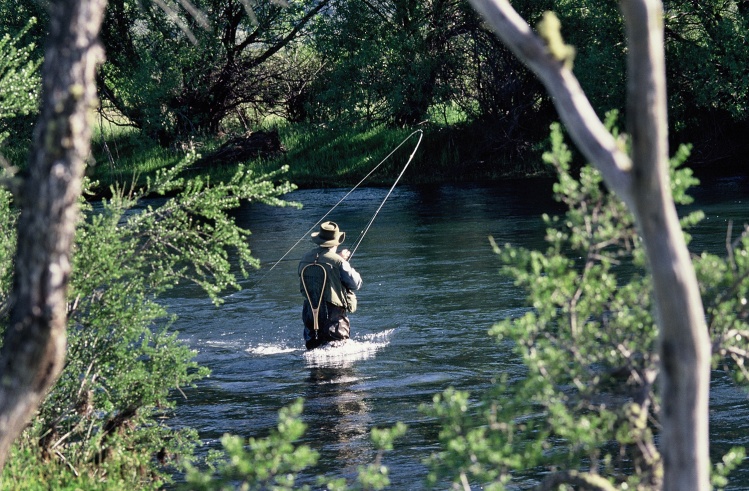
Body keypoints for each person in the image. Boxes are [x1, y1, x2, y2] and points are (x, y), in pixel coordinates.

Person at [298, 221, 362, 349]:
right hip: (333, 317)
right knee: (340, 362)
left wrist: (337, 259)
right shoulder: (338, 262)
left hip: (310, 315)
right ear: (337, 241)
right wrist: (343, 261)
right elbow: (356, 283)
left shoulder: (305, 258)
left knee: (314, 354)